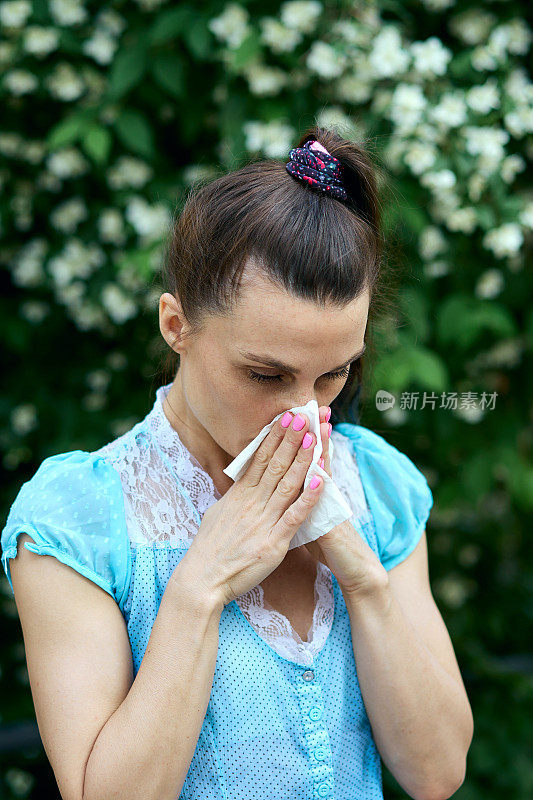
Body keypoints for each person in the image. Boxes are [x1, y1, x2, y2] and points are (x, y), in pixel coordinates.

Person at [1, 127, 473, 800]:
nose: (303, 413)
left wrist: (361, 574)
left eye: (333, 373)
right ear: (176, 326)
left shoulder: (377, 486)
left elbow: (435, 774)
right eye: (264, 374)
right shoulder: (76, 521)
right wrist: (199, 586)